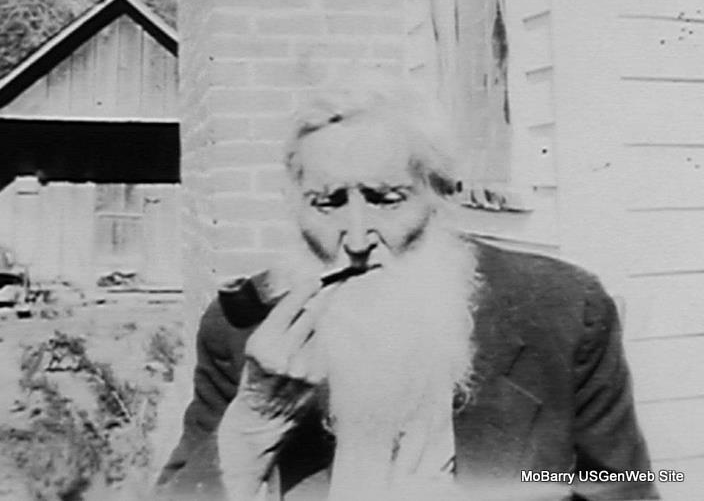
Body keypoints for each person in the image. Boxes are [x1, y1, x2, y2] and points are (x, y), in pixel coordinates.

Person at [155, 74, 658, 500]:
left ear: (441, 196)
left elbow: (622, 487)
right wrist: (255, 420)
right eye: (328, 203)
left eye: (386, 199)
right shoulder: (242, 332)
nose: (356, 239)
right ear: (294, 204)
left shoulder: (563, 309)